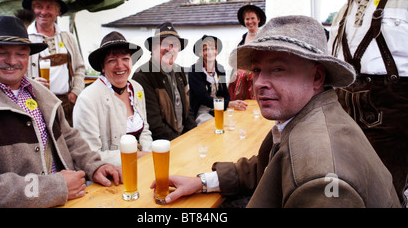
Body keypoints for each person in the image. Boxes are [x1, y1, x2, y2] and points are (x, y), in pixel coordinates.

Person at [152, 15, 401, 208]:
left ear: (316, 77)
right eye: (258, 70)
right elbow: (269, 166)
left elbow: (300, 172)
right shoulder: (310, 115)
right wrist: (203, 181)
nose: (259, 83)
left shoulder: (320, 179)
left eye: (278, 69)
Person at [0, 16, 122, 208]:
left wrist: (95, 166)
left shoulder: (41, 93)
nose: (12, 61)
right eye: (1, 53)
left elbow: (69, 138)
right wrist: (55, 187)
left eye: (21, 54)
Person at [326, 0, 408, 205]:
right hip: (345, 105)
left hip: (394, 109)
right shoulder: (342, 9)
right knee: (349, 185)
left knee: (386, 190)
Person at [73, 31, 153, 166]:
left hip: (143, 165)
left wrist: (149, 155)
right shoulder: (87, 99)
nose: (120, 65)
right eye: (112, 60)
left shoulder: (137, 88)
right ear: (102, 67)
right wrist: (137, 156)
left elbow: (145, 130)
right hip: (109, 175)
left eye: (125, 59)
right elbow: (89, 153)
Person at [23, 0, 85, 126]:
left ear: (57, 11)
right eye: (39, 6)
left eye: (49, 7)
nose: (43, 12)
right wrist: (31, 83)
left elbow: (80, 68)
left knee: (69, 142)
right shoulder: (25, 38)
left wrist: (76, 91)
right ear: (33, 10)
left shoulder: (67, 37)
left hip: (67, 104)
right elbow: (16, 74)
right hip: (38, 103)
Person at [132, 22, 196, 140]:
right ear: (154, 47)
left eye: (175, 45)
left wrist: (192, 134)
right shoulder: (142, 76)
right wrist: (180, 142)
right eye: (165, 43)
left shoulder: (179, 71)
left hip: (184, 138)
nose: (170, 49)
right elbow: (154, 125)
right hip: (163, 145)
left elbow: (188, 111)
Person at [188, 35, 247, 124]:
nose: (210, 52)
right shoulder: (194, 71)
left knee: (236, 121)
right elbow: (203, 98)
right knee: (215, 125)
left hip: (220, 108)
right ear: (200, 53)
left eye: (213, 48)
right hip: (202, 111)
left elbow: (225, 94)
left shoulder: (220, 69)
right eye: (206, 49)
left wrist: (229, 105)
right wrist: (228, 104)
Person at [228, 3, 266, 101]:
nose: (250, 22)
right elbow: (235, 61)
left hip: (260, 76)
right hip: (241, 81)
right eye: (247, 19)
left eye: (252, 18)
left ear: (258, 19)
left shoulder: (264, 38)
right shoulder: (240, 40)